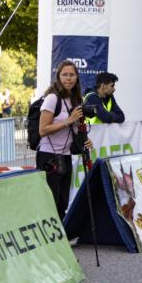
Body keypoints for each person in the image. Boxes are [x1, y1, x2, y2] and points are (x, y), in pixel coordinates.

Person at [37, 60, 93, 222]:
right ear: (59, 77)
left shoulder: (76, 100)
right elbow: (43, 130)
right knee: (49, 202)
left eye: (72, 75)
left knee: (63, 202)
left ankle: (61, 233)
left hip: (66, 156)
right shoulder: (52, 99)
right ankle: (50, 235)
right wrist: (68, 121)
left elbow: (75, 130)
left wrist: (85, 141)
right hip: (48, 156)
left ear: (77, 78)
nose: (68, 78)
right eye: (65, 75)